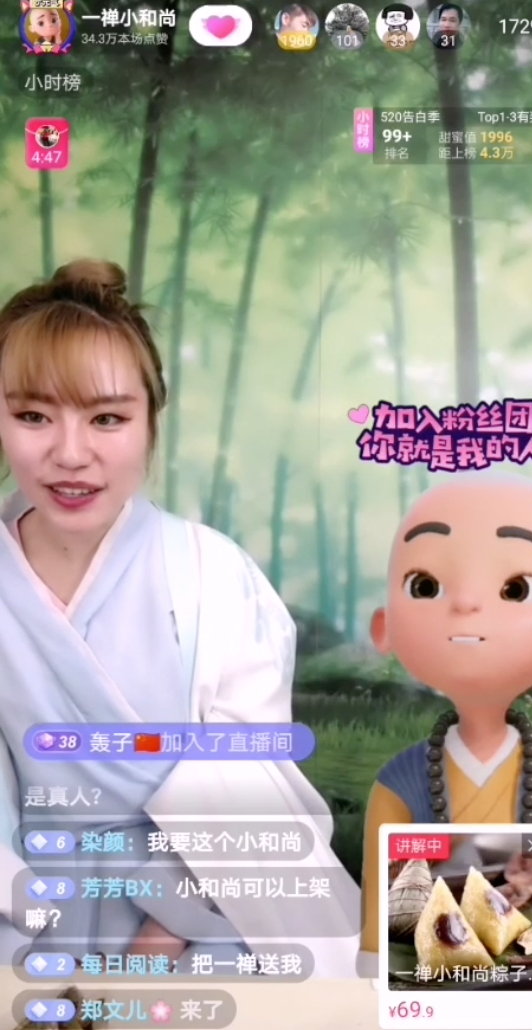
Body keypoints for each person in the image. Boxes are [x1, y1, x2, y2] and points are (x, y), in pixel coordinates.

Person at [0, 260, 359, 980]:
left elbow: (245, 785)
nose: (70, 453)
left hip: (208, 909)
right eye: (33, 415)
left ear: (150, 422)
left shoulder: (212, 574)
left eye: (108, 418)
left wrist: (154, 948)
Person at [359, 472, 532, 976]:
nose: (467, 604)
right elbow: (379, 908)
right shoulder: (399, 782)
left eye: (516, 589)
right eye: (425, 586)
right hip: (430, 980)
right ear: (385, 627)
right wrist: (371, 966)